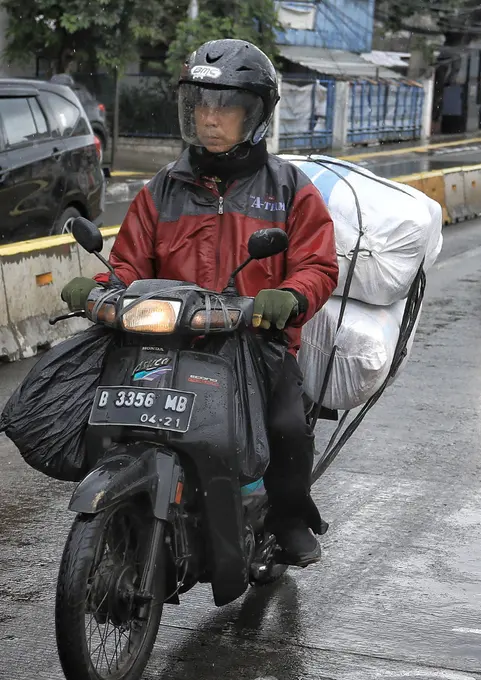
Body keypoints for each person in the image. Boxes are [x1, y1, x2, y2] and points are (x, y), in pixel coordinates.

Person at [60, 39, 339, 567]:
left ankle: (288, 518)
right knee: (105, 411)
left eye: (226, 107)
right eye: (202, 106)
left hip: (256, 344)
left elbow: (319, 265)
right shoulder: (161, 190)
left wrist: (288, 296)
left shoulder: (289, 190)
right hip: (165, 338)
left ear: (255, 115)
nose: (211, 119)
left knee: (286, 427)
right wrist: (101, 288)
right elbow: (129, 263)